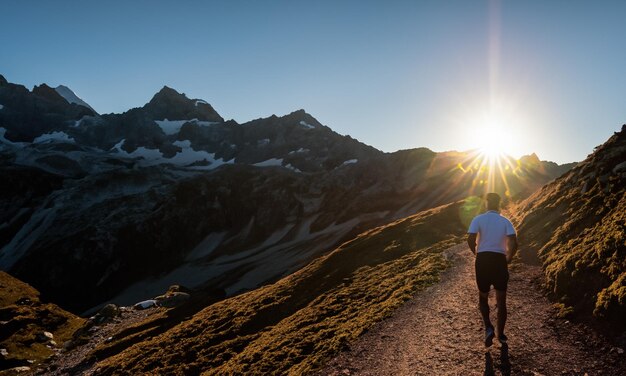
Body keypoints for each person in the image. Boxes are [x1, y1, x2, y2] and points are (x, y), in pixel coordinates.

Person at [467, 192, 518, 347]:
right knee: (501, 301)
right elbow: (514, 242)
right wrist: (508, 258)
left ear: (487, 204)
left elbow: (470, 238)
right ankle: (501, 335)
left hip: (482, 260)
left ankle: (488, 327)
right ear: (499, 204)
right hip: (499, 260)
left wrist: (476, 253)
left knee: (483, 297)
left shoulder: (478, 219)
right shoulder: (505, 221)